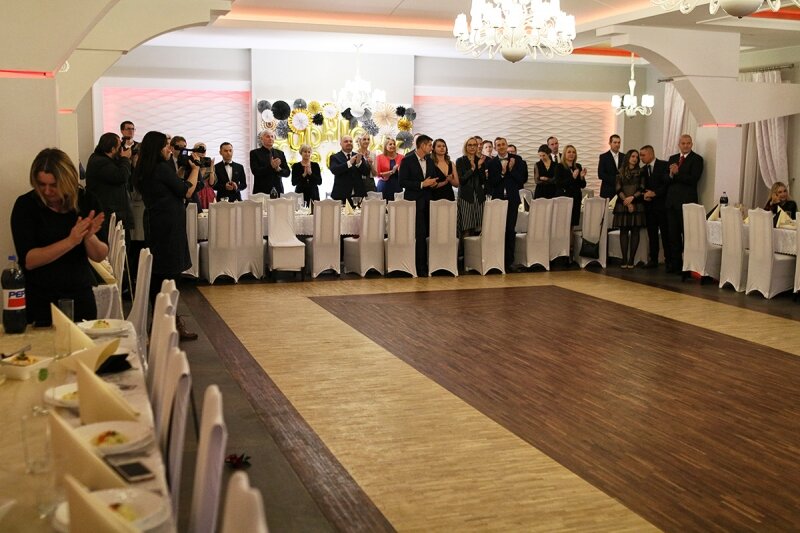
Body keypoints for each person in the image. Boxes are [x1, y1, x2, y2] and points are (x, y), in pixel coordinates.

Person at [10, 148, 108, 325]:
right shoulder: (26, 206)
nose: (47, 191)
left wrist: (88, 237)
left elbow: (100, 255)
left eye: (54, 185)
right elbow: (29, 260)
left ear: (68, 181)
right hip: (40, 297)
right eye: (41, 184)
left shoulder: (86, 201)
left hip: (79, 294)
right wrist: (70, 241)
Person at [133, 131, 199, 340]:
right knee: (169, 275)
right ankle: (168, 324)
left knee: (160, 275)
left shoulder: (146, 168)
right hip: (168, 226)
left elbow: (169, 186)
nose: (170, 149)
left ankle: (164, 321)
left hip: (157, 223)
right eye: (166, 145)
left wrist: (179, 169)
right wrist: (196, 170)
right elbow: (186, 191)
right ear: (157, 148)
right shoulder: (161, 168)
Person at [398, 134, 437, 275]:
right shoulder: (407, 160)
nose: (432, 148)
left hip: (428, 201)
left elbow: (432, 177)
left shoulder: (430, 161)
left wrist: (433, 183)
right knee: (419, 235)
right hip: (414, 202)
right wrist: (421, 184)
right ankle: (420, 268)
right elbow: (402, 182)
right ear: (422, 145)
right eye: (430, 145)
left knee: (427, 234)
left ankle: (428, 265)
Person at [665, 134, 703, 273]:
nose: (686, 145)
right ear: (679, 145)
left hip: (687, 203)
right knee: (673, 235)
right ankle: (675, 265)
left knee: (687, 236)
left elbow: (693, 179)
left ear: (692, 144)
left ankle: (687, 266)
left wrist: (677, 172)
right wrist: (671, 175)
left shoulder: (697, 159)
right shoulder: (673, 158)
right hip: (671, 203)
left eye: (688, 143)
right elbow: (667, 179)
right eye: (683, 143)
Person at [487, 137, 527, 270]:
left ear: (507, 145)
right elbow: (492, 183)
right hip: (498, 201)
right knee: (498, 230)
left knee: (510, 229)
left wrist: (511, 169)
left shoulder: (517, 160)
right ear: (495, 148)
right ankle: (496, 260)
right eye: (498, 145)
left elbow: (522, 180)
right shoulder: (492, 163)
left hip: (512, 199)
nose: (501, 147)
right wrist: (503, 173)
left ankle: (509, 262)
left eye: (503, 144)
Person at [85, 132, 133, 240]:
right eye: (119, 147)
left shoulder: (103, 160)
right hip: (109, 212)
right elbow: (121, 176)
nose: (121, 149)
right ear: (112, 149)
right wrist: (125, 159)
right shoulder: (100, 162)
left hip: (112, 211)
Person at [612, 149, 645, 269]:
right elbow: (618, 189)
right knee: (624, 232)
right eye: (633, 156)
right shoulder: (620, 172)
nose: (635, 159)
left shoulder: (641, 172)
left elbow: (642, 188)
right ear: (628, 158)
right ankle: (624, 259)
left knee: (635, 231)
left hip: (637, 203)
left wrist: (632, 198)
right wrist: (626, 201)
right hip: (623, 204)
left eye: (637, 157)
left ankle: (631, 259)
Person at [639, 145, 671, 268]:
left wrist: (655, 193)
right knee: (652, 234)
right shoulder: (642, 170)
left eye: (643, 155)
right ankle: (653, 259)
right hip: (649, 206)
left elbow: (666, 184)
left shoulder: (664, 165)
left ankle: (668, 260)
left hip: (662, 206)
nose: (641, 158)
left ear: (651, 154)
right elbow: (641, 187)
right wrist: (644, 195)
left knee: (665, 234)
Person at [455, 137, 487, 237]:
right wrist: (472, 169)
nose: (472, 147)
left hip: (479, 197)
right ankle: (465, 247)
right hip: (466, 197)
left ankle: (476, 247)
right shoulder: (460, 161)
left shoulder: (480, 160)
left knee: (480, 228)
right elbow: (461, 180)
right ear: (466, 147)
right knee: (467, 228)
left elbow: (483, 181)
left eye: (474, 145)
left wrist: (479, 167)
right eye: (470, 145)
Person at [330, 135, 370, 205]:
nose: (349, 143)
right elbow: (335, 170)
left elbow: (366, 172)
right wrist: (349, 163)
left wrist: (359, 163)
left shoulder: (358, 155)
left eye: (350, 141)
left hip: (358, 195)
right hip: (341, 195)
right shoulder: (335, 157)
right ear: (341, 144)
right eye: (346, 141)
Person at [250, 130, 289, 195]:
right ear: (261, 139)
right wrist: (271, 166)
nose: (270, 138)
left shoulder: (280, 153)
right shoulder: (255, 153)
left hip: (278, 190)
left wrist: (278, 169)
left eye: (272, 136)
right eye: (268, 136)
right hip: (261, 191)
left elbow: (287, 173)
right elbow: (255, 171)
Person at [555, 144, 586, 226]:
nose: (571, 154)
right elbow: (558, 184)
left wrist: (582, 177)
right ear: (564, 154)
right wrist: (572, 177)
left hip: (576, 198)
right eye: (569, 152)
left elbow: (582, 185)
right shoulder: (559, 166)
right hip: (564, 198)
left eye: (573, 152)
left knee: (573, 223)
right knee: (564, 223)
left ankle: (571, 235)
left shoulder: (578, 166)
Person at [190, 142, 216, 211]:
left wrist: (211, 168)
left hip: (208, 192)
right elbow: (195, 179)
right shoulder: (191, 163)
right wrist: (201, 170)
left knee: (210, 214)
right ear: (195, 151)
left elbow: (211, 183)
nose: (203, 152)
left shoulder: (208, 162)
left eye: (204, 150)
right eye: (200, 150)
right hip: (197, 190)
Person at [375, 136, 404, 200]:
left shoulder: (402, 157)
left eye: (394, 144)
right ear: (385, 146)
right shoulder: (379, 157)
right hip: (384, 185)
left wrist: (400, 171)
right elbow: (377, 174)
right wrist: (391, 172)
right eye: (390, 144)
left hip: (397, 186)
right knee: (383, 205)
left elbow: (405, 173)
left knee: (397, 205)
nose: (392, 146)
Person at [598, 134, 623, 199]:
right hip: (607, 191)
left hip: (621, 192)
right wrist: (615, 180)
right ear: (610, 143)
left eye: (619, 142)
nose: (617, 145)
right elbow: (600, 174)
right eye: (615, 142)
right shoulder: (603, 157)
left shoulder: (624, 156)